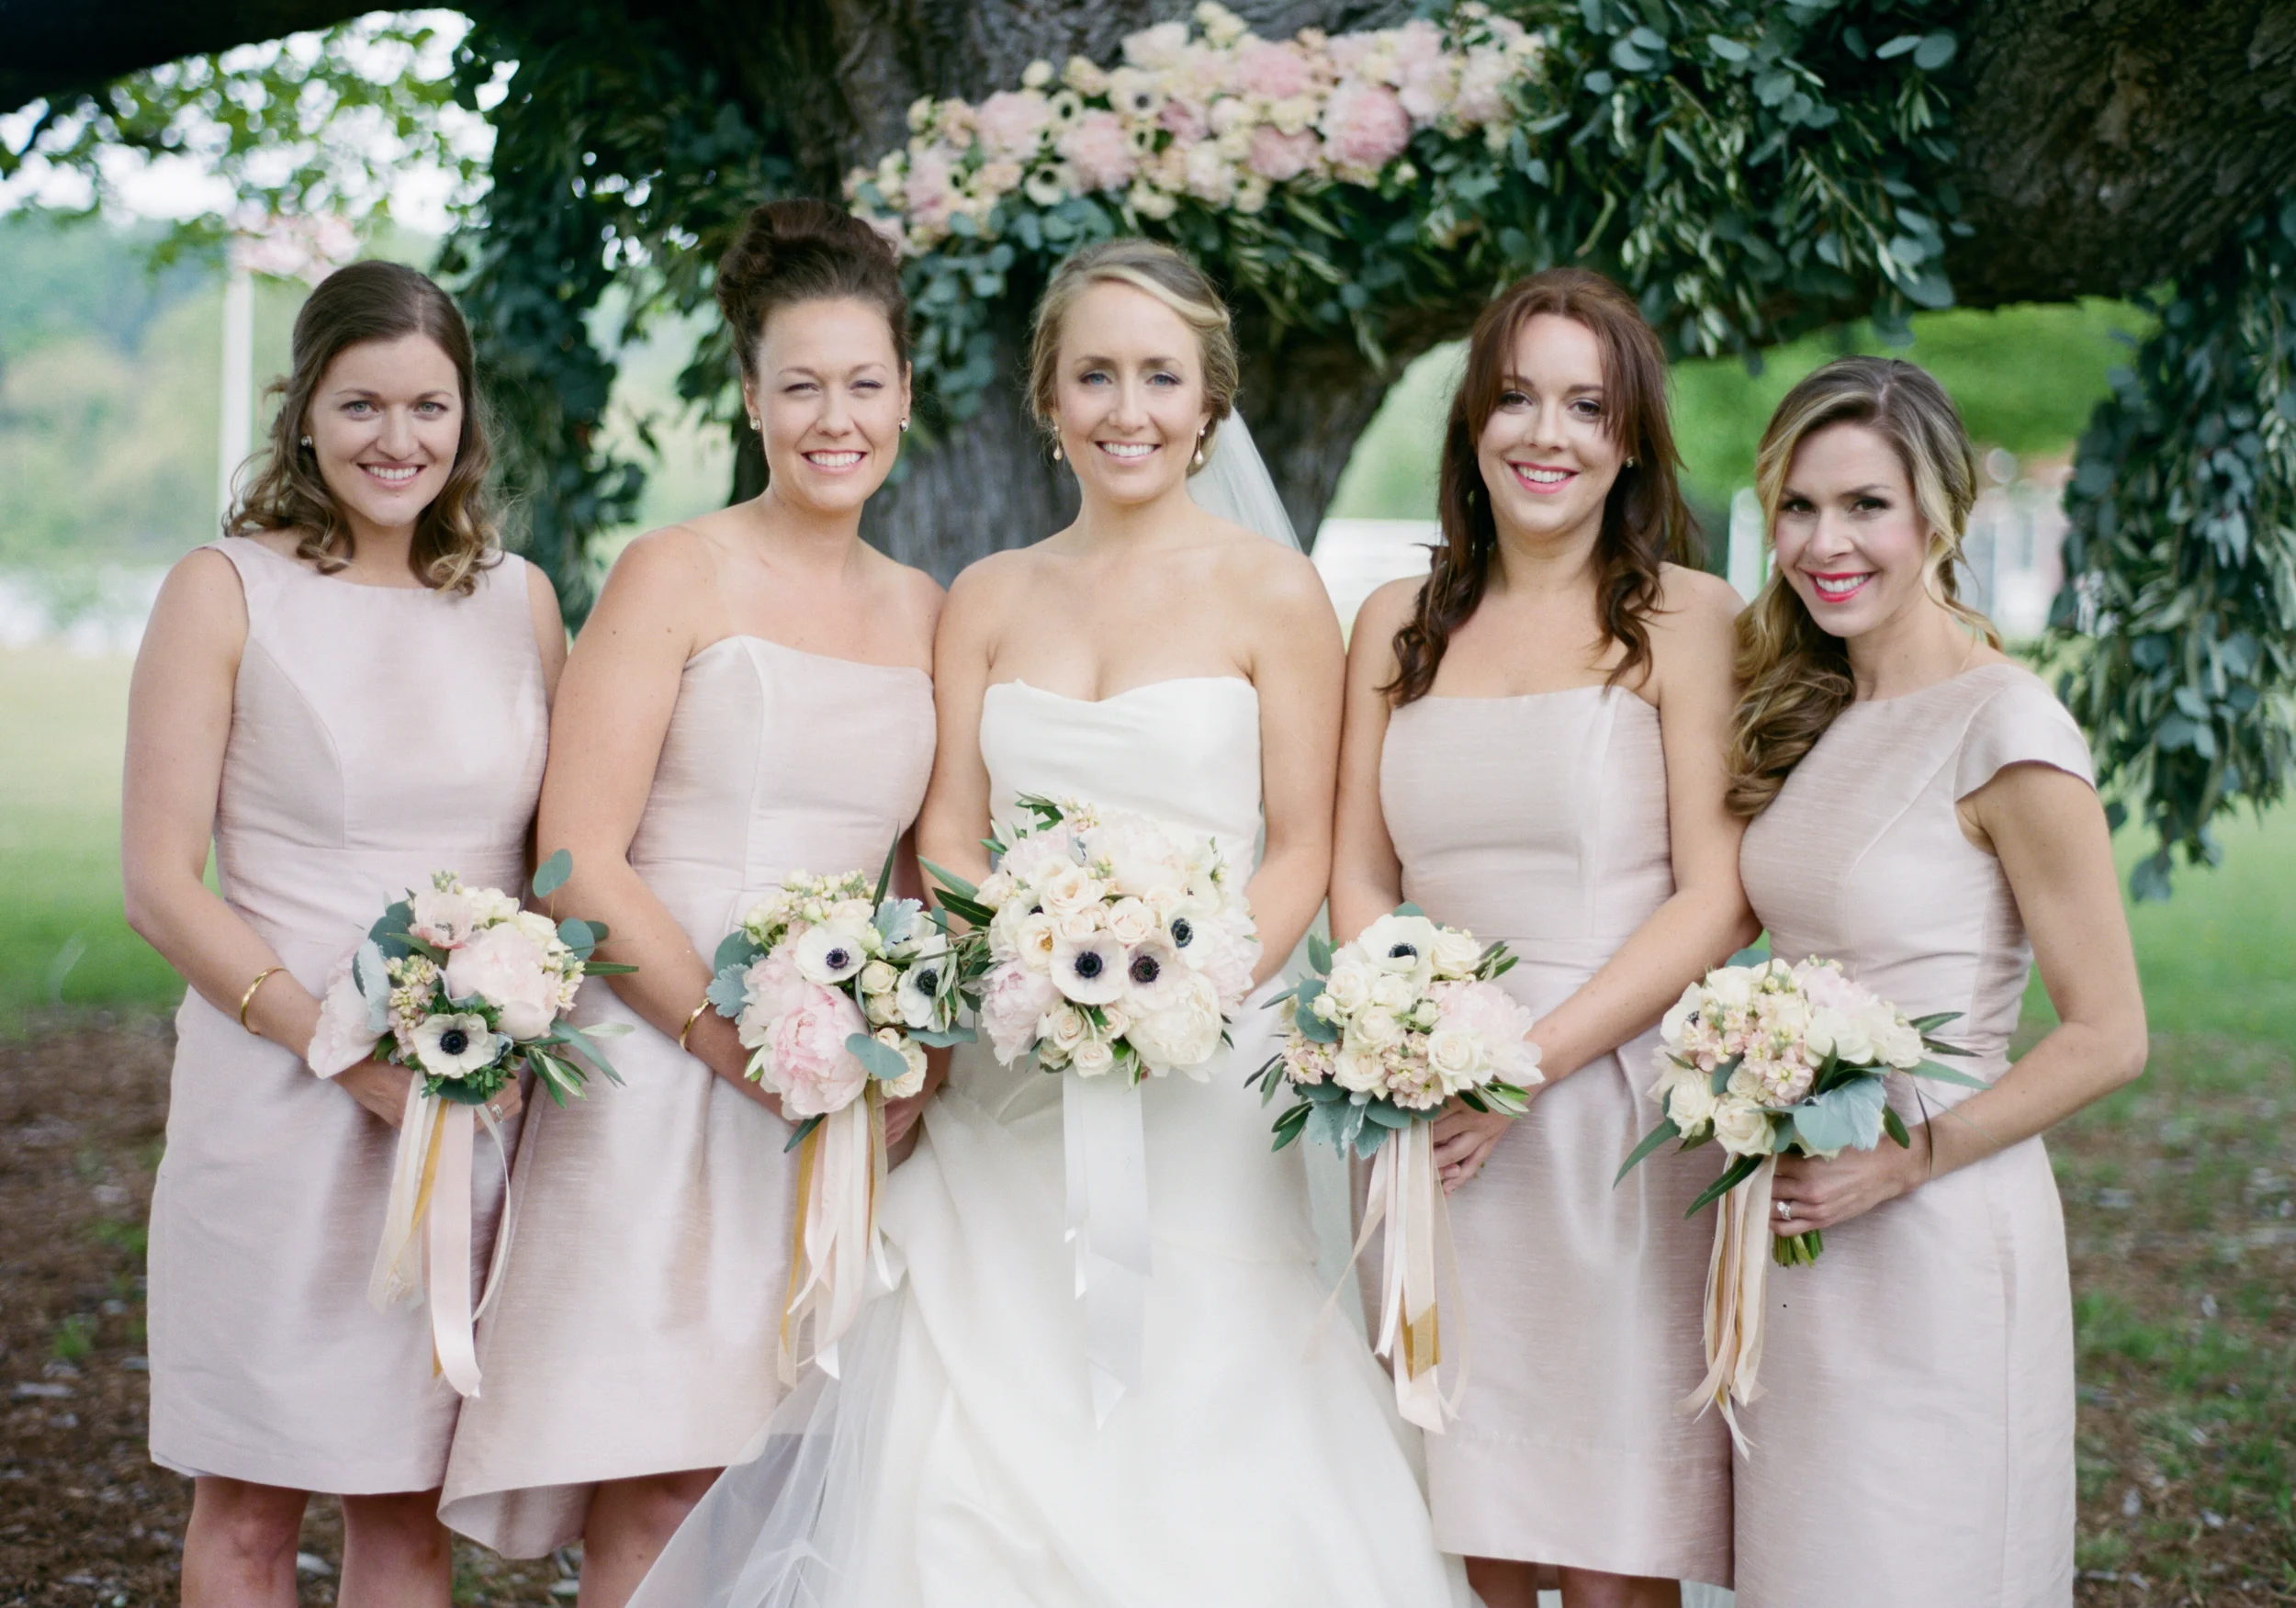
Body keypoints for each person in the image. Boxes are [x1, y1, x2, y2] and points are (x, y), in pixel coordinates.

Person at [629, 238, 1464, 1607]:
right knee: (962, 1465)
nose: (1128, 409)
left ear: (1210, 400)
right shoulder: (989, 595)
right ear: (1048, 396)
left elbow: (1306, 844)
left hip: (1206, 1085)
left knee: (1213, 1424)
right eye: (1095, 375)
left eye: (1161, 377)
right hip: (1011, 1076)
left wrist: (1179, 992)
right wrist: (1037, 964)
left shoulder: (1272, 593)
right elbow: (951, 836)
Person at [437, 201, 942, 1607]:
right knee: (665, 1472)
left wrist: (910, 1058)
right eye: (801, 385)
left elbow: (919, 867)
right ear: (751, 397)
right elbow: (576, 855)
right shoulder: (676, 570)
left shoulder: (927, 608)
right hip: (664, 1071)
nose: (835, 418)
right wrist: (740, 1049)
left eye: (863, 383)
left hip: (840, 1089)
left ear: (906, 393)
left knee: (798, 1468)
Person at [124, 261, 563, 1607]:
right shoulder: (224, 589)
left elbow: (556, 865)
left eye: (429, 406)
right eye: (361, 404)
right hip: (272, 1101)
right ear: (304, 409)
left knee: (407, 1509)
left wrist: (503, 1024)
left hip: (465, 1107)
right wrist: (340, 1047)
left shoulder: (521, 600)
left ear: (465, 417)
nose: (397, 439)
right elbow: (159, 883)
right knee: (250, 1510)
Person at [1329, 268, 1745, 1608]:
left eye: (1586, 405)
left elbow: (1717, 895)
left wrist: (1522, 1067)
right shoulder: (1394, 623)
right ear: (1473, 422)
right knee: (1477, 1531)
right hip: (1430, 1129)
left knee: (1613, 1549)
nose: (1545, 434)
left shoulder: (1689, 616)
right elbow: (1359, 868)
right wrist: (1408, 1049)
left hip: (1608, 1112)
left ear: (1630, 442)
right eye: (1516, 398)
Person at [1728, 355, 2147, 1605]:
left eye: (1867, 505)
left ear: (1941, 515)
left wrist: (1910, 1158)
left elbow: (2110, 1032)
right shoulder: (1814, 710)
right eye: (1799, 507)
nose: (1826, 543)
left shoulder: (2006, 728)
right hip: (1805, 1216)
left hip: (1937, 1222)